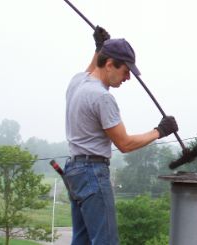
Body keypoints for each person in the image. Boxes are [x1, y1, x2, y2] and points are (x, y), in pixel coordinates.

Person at [64, 26, 178, 245]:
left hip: (74, 171)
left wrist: (98, 48)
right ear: (109, 65)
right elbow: (124, 144)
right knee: (106, 241)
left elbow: (90, 69)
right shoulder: (102, 97)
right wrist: (160, 131)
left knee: (82, 240)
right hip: (92, 174)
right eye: (126, 71)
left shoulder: (77, 83)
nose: (128, 78)